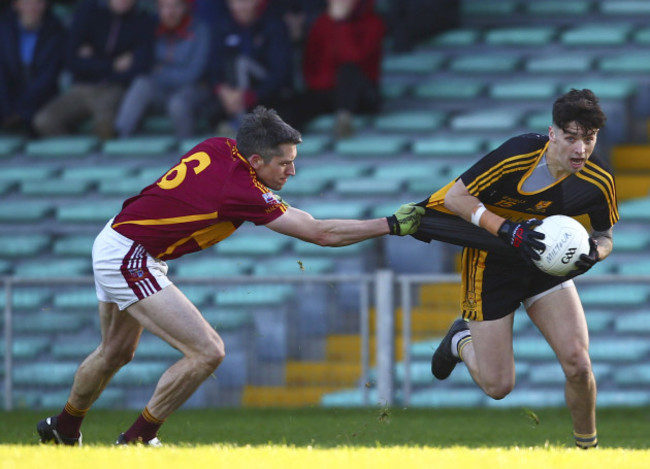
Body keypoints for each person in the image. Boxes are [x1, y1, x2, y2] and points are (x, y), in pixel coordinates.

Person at [36, 105, 424, 446]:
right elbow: (319, 233)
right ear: (255, 161)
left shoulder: (219, 146)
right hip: (130, 255)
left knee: (116, 351)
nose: (292, 170)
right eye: (284, 162)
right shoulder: (240, 188)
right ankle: (139, 438)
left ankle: (64, 428)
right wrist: (388, 224)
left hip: (117, 240)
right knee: (208, 351)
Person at [414, 89, 617, 449]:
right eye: (571, 138)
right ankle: (460, 339)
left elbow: (604, 235)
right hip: (491, 262)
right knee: (498, 386)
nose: (580, 150)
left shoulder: (598, 179)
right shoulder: (519, 153)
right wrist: (507, 230)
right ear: (553, 133)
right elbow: (455, 198)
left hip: (545, 263)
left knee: (579, 364)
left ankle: (588, 449)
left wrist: (595, 253)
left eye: (589, 139)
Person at [33, 0, 156, 139]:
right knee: (44, 121)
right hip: (81, 87)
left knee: (106, 130)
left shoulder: (143, 20)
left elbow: (140, 67)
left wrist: (92, 61)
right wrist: (112, 65)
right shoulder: (88, 11)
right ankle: (77, 155)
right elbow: (71, 60)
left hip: (115, 88)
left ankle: (99, 158)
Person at [279, 0, 385, 138]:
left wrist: (341, 24)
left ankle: (344, 117)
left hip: (361, 94)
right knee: (294, 105)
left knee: (348, 70)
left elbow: (355, 59)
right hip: (327, 90)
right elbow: (311, 63)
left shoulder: (374, 23)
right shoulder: (322, 23)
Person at [114, 0, 211, 139]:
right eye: (164, 7)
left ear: (186, 7)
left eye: (175, 6)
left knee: (178, 104)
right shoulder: (152, 29)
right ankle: (120, 137)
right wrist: (168, 72)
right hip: (163, 91)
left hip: (193, 90)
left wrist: (160, 71)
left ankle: (189, 151)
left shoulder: (201, 30)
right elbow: (144, 67)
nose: (170, 12)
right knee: (142, 84)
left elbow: (193, 74)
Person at [207, 0, 294, 135]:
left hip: (268, 96)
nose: (241, 6)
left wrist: (251, 96)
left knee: (242, 63)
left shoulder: (273, 25)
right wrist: (222, 91)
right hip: (232, 97)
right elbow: (213, 66)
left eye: (246, 1)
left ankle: (240, 125)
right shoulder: (222, 26)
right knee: (209, 110)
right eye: (236, 2)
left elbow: (281, 73)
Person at [0, 0, 66, 135]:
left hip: (41, 98)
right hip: (7, 98)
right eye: (27, 2)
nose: (33, 7)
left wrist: (20, 108)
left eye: (38, 2)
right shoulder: (4, 29)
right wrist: (8, 107)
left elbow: (49, 76)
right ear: (16, 4)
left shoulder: (56, 30)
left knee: (43, 119)